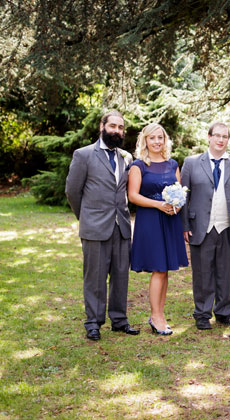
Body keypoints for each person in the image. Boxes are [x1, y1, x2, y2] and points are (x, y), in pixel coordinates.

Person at [65, 110, 140, 341]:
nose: (116, 131)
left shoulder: (126, 157)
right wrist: (86, 217)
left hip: (122, 226)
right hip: (95, 226)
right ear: (102, 126)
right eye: (113, 126)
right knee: (95, 277)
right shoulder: (84, 155)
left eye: (120, 127)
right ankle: (94, 323)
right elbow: (72, 191)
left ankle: (119, 320)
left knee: (120, 276)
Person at [181, 122, 230, 330]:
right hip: (200, 225)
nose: (220, 140)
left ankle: (224, 312)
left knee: (225, 273)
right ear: (209, 137)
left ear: (228, 139)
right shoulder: (191, 163)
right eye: (216, 135)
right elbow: (184, 196)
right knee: (202, 273)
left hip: (227, 226)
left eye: (224, 136)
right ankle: (202, 313)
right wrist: (184, 225)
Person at [128, 123, 188, 335]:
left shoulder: (172, 164)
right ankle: (155, 317)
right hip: (150, 220)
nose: (157, 142)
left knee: (165, 270)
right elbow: (133, 196)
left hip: (170, 220)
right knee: (158, 268)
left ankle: (160, 314)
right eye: (152, 138)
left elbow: (179, 192)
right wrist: (159, 205)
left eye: (160, 138)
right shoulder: (139, 165)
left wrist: (176, 206)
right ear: (145, 141)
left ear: (165, 140)